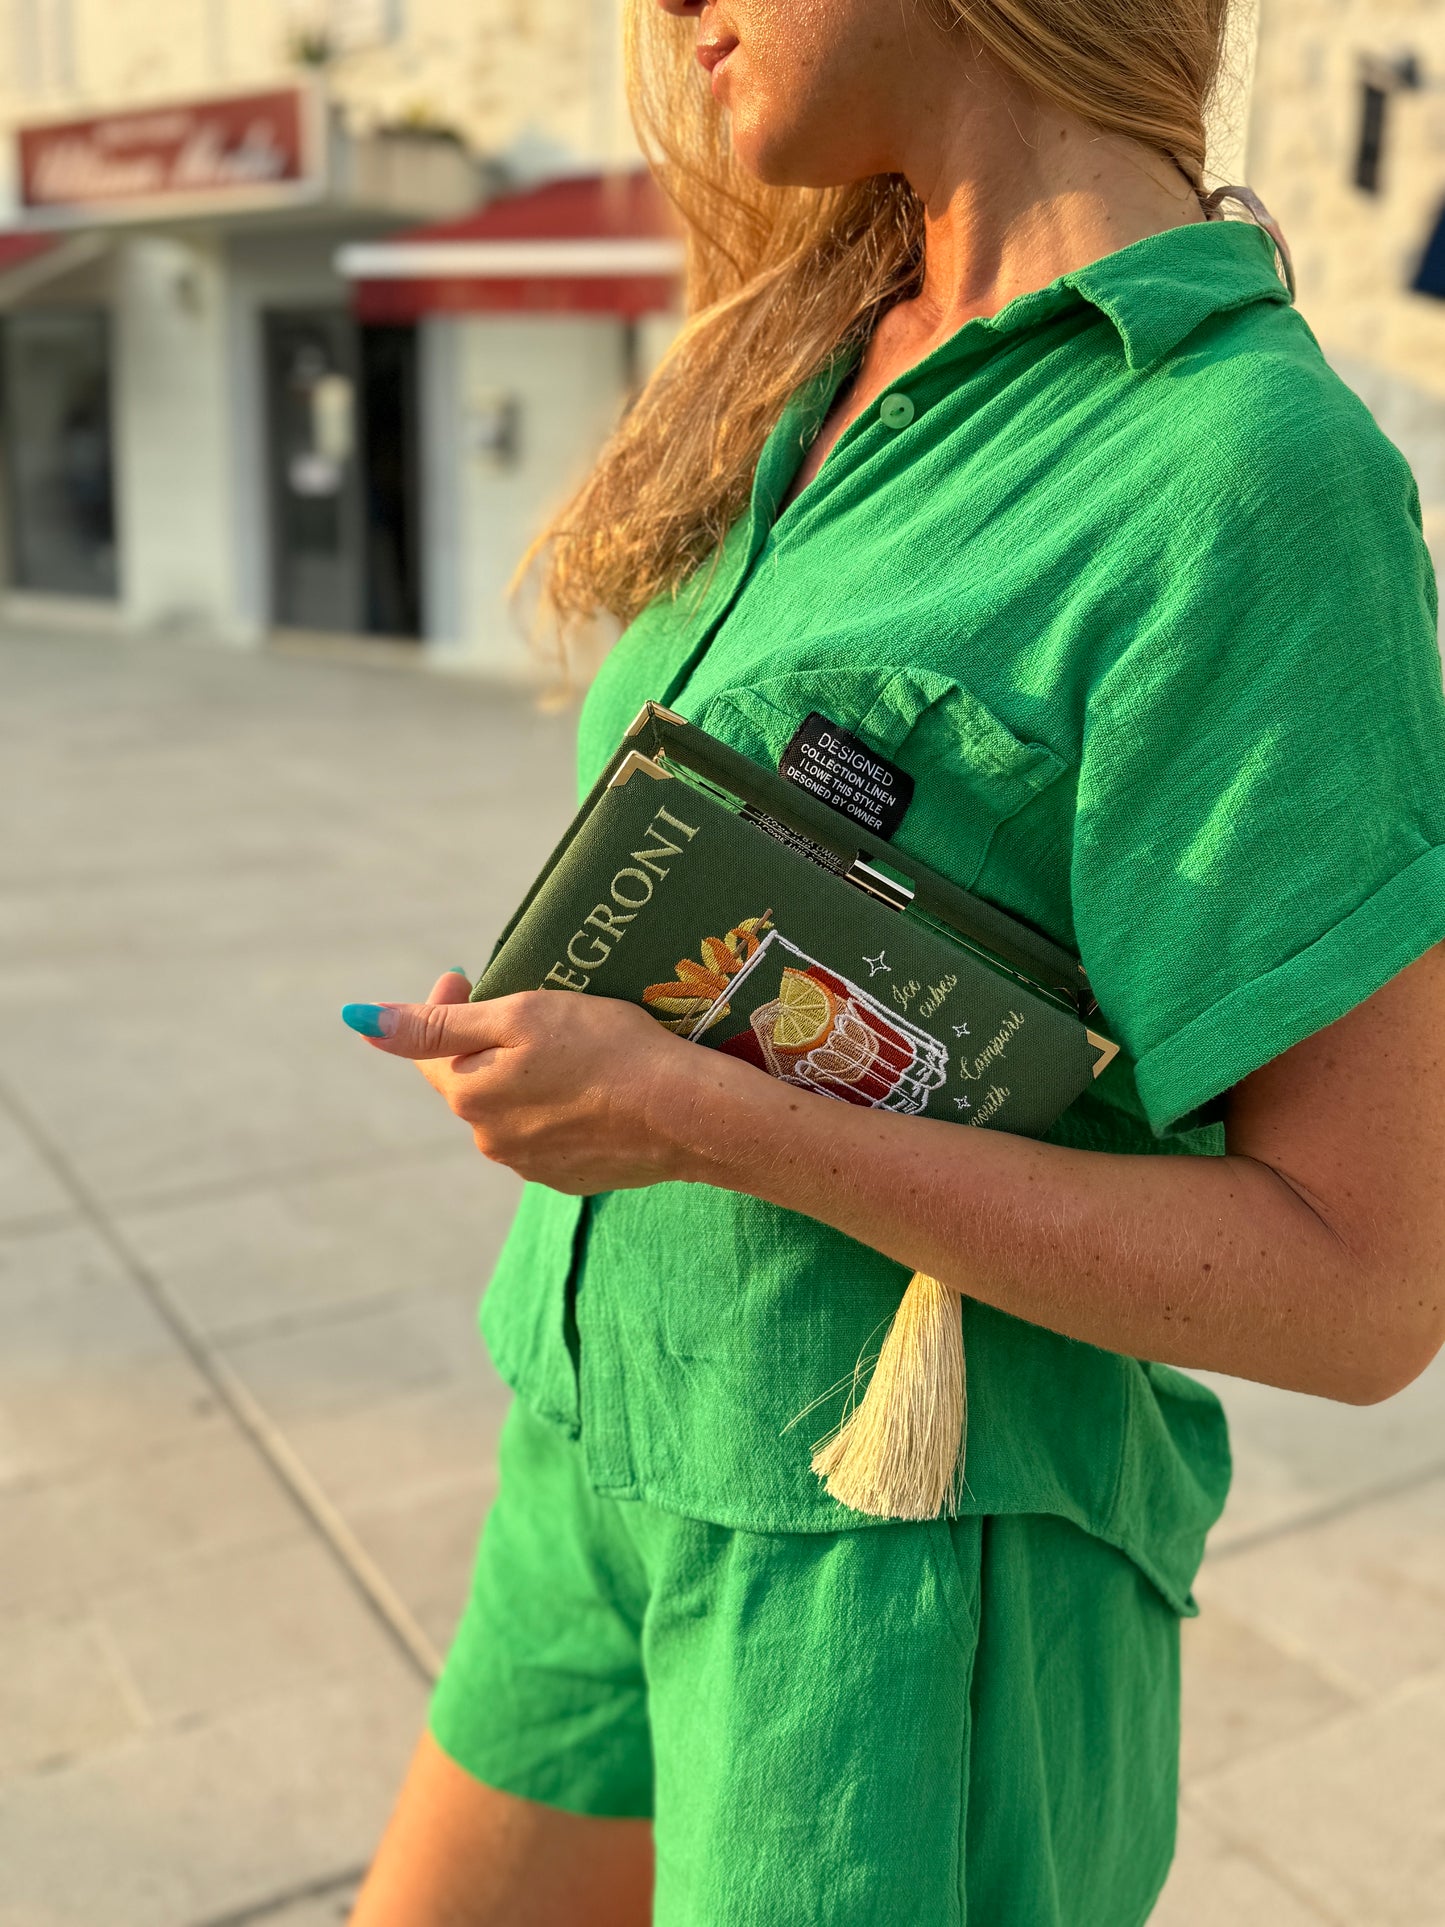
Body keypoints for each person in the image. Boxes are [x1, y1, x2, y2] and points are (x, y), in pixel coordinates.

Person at [344, 2, 1445, 1922]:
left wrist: (699, 1118)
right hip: (597, 1431)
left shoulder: (1243, 474)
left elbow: (1362, 1297)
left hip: (893, 1579)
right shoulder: (806, 367)